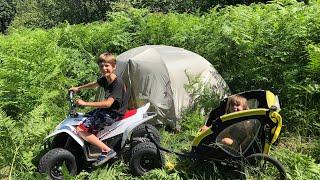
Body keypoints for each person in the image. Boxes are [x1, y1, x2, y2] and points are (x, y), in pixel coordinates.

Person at [69, 52, 128, 166]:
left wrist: (85, 103)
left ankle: (106, 150)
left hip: (114, 113)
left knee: (80, 130)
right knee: (84, 118)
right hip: (108, 111)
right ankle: (93, 142)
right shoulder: (105, 79)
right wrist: (78, 88)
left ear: (114, 66)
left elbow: (107, 104)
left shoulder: (117, 83)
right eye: (101, 66)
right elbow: (94, 84)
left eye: (107, 65)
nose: (104, 68)